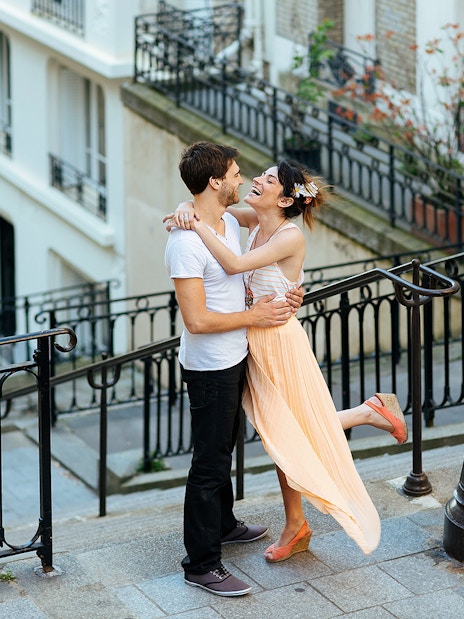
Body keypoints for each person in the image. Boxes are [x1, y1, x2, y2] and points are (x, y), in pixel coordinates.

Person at [171, 155, 408, 564]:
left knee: (285, 430)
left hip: (277, 341)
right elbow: (216, 210)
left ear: (283, 200)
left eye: (267, 179)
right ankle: (366, 415)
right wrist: (185, 209)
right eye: (256, 175)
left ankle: (299, 520)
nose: (255, 180)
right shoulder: (252, 221)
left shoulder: (288, 235)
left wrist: (194, 225)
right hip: (252, 340)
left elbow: (233, 263)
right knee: (282, 429)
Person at [164, 142, 305, 597]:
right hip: (210, 367)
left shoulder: (224, 221)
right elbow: (197, 321)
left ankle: (223, 525)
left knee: (224, 449)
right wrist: (254, 317)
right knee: (208, 465)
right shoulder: (186, 242)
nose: (243, 180)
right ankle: (202, 564)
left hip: (237, 354)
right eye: (237, 173)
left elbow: (249, 272)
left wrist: (287, 293)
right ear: (216, 182)